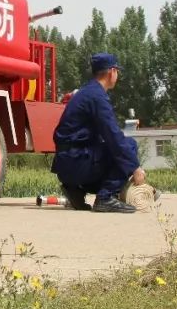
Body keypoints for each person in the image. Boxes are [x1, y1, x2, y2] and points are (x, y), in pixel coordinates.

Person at [51, 53, 147, 213]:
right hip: (77, 163)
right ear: (111, 71)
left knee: (113, 149)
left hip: (65, 165)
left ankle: (75, 191)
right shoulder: (97, 97)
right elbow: (114, 137)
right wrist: (135, 168)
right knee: (129, 146)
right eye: (117, 71)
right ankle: (105, 197)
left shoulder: (86, 92)